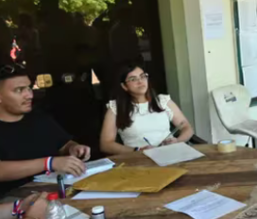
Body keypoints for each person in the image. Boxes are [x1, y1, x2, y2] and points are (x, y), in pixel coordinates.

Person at [0, 64, 89, 196]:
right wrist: (49, 163)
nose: (29, 95)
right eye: (19, 90)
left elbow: (63, 144)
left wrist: (73, 148)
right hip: (11, 203)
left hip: (55, 191)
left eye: (29, 88)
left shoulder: (39, 118)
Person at [100, 62, 194, 154]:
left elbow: (186, 127)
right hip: (138, 159)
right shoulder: (116, 108)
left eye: (142, 76)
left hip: (170, 153)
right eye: (133, 79)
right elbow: (106, 144)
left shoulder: (163, 101)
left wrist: (177, 141)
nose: (140, 81)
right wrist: (137, 151)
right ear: (124, 86)